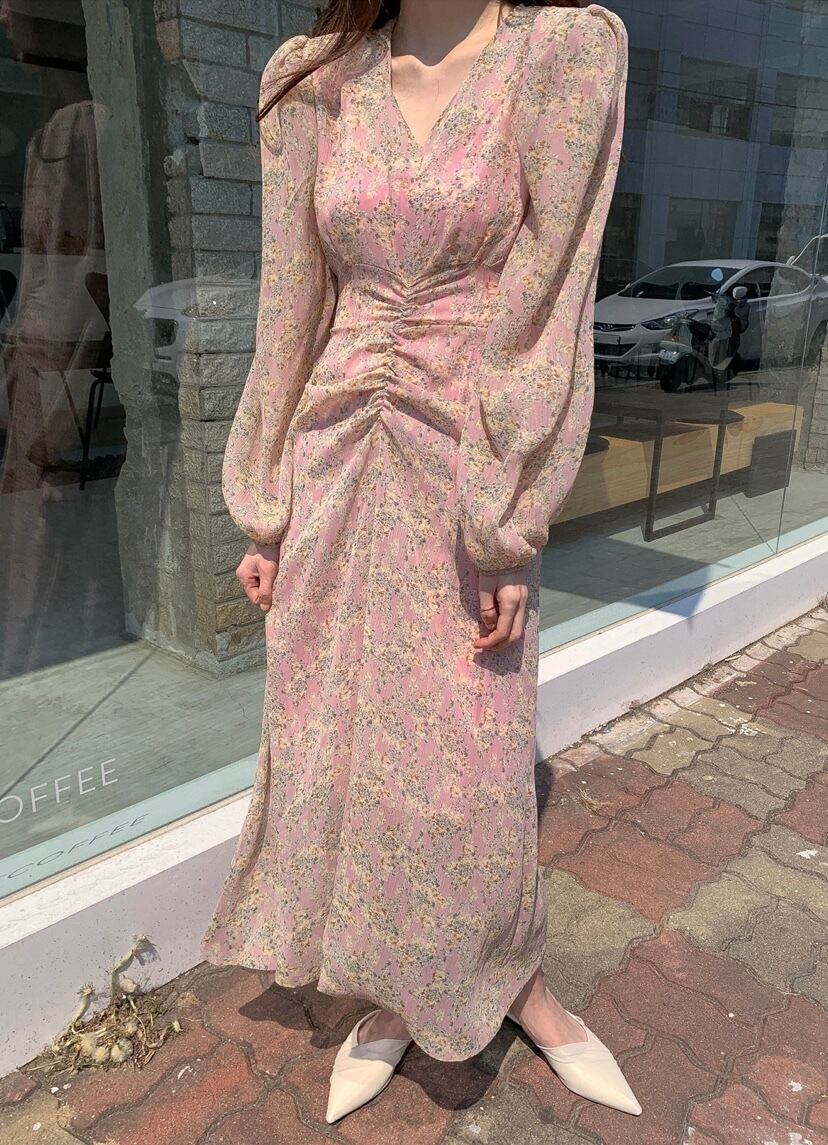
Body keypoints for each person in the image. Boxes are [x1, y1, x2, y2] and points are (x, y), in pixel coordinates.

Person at [201, 0, 641, 1122]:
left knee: (476, 757)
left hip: (467, 460)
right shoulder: (314, 79)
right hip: (336, 452)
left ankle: (516, 978)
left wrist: (509, 518)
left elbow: (551, 304)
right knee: (343, 739)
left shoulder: (560, 56)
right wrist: (266, 505)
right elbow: (290, 301)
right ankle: (393, 984)